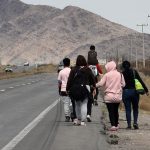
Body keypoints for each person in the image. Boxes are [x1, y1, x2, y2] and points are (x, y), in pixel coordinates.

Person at [67, 55, 96, 126]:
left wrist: (67, 89)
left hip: (75, 88)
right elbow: (93, 79)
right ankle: (83, 120)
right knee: (84, 104)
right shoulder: (87, 69)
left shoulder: (73, 69)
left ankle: (78, 119)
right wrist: (94, 86)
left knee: (77, 104)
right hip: (85, 88)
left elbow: (70, 80)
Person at [96, 61, 125, 131]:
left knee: (111, 111)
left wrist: (94, 85)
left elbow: (101, 84)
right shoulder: (120, 74)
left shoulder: (107, 75)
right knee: (115, 110)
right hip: (118, 96)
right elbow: (123, 84)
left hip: (109, 96)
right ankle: (116, 124)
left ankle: (113, 125)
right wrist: (118, 87)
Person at [122, 60, 149, 129]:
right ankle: (135, 122)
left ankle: (129, 125)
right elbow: (140, 81)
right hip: (135, 92)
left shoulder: (122, 74)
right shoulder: (134, 72)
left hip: (126, 92)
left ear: (123, 66)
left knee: (128, 109)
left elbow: (120, 84)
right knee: (135, 108)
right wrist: (146, 90)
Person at [58, 58, 71, 122]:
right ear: (69, 63)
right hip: (71, 89)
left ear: (63, 63)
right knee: (71, 103)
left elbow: (59, 82)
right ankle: (73, 115)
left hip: (63, 89)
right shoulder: (71, 71)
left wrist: (59, 90)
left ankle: (67, 116)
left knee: (66, 103)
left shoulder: (61, 71)